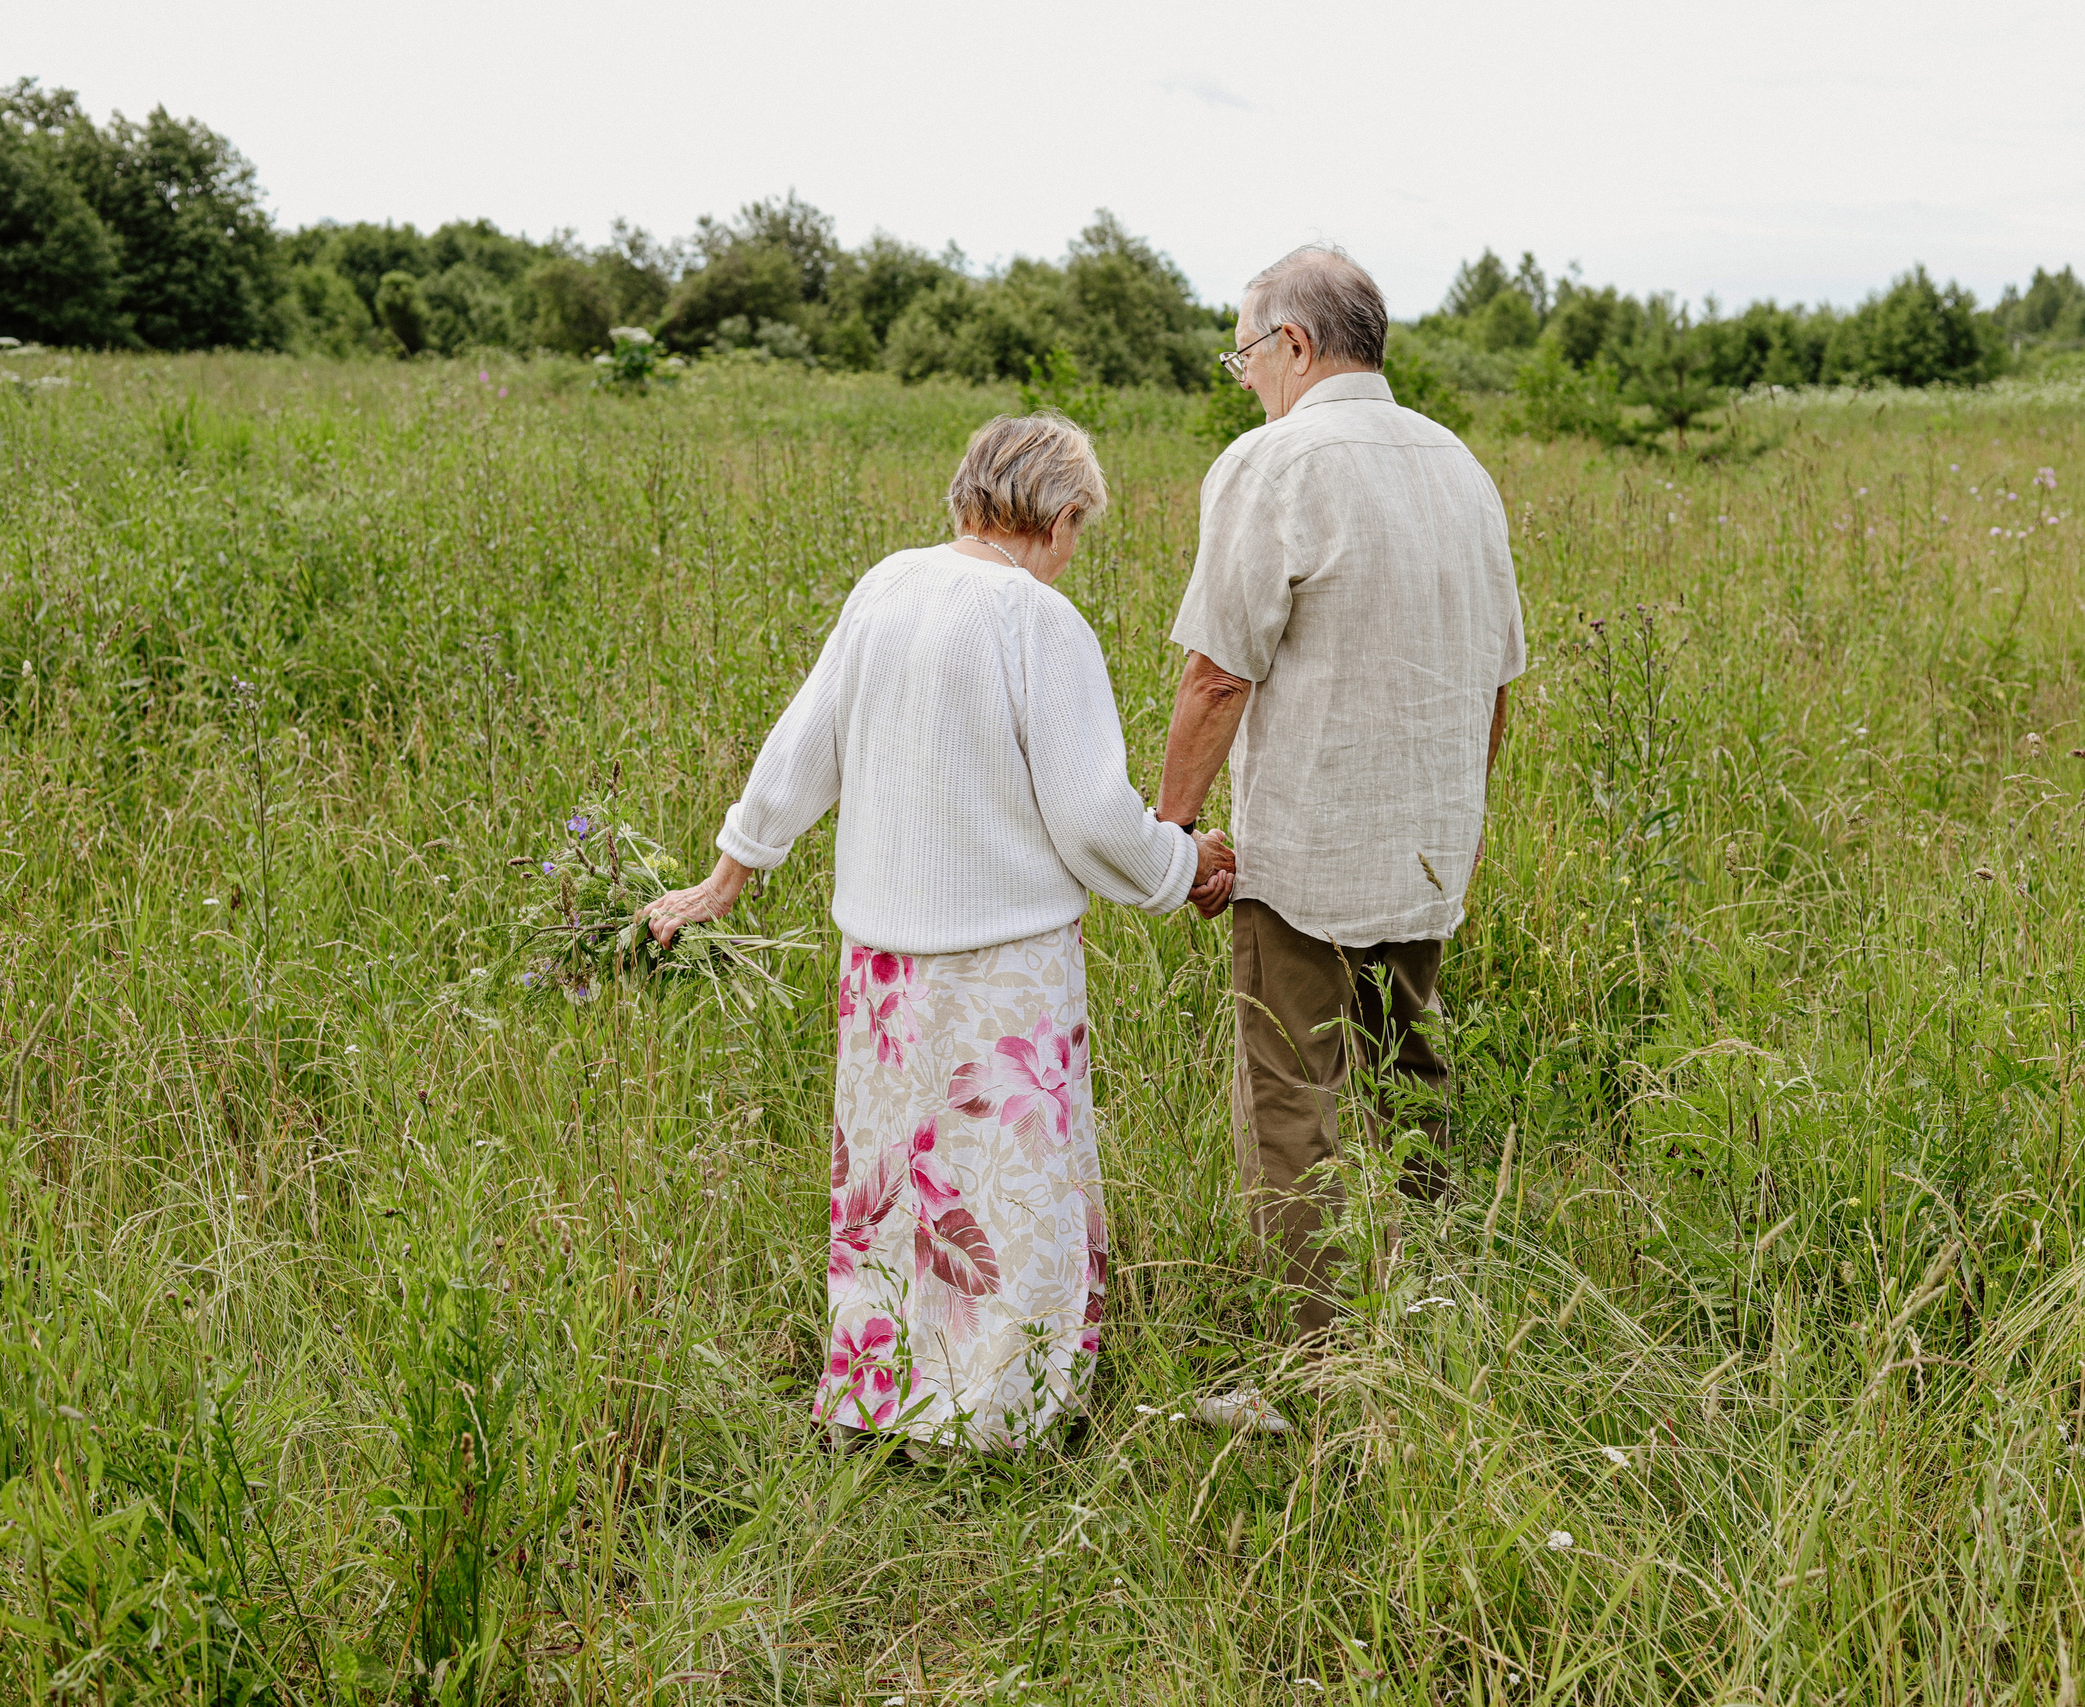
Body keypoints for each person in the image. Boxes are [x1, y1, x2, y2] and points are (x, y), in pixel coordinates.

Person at [645, 414, 1235, 1459]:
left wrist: (729, 871)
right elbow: (1095, 817)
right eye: (1077, 534)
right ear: (1056, 519)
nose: (1070, 556)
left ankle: (878, 1392)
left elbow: (804, 742)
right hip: (1003, 967)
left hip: (880, 963)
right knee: (1003, 1188)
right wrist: (1183, 868)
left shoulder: (888, 585)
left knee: (890, 1182)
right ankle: (997, 1413)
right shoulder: (1035, 620)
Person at [1154, 246, 1527, 1429]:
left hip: (1304, 852)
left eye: (1245, 353)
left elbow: (1217, 673)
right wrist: (1455, 819)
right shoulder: (1459, 464)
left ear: (1297, 347)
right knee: (1407, 1081)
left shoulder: (1274, 462)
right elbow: (1500, 681)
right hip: (1426, 843)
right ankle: (1422, 1327)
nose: (1244, 378)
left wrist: (1170, 834)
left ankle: (1315, 1379)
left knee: (1292, 1106)